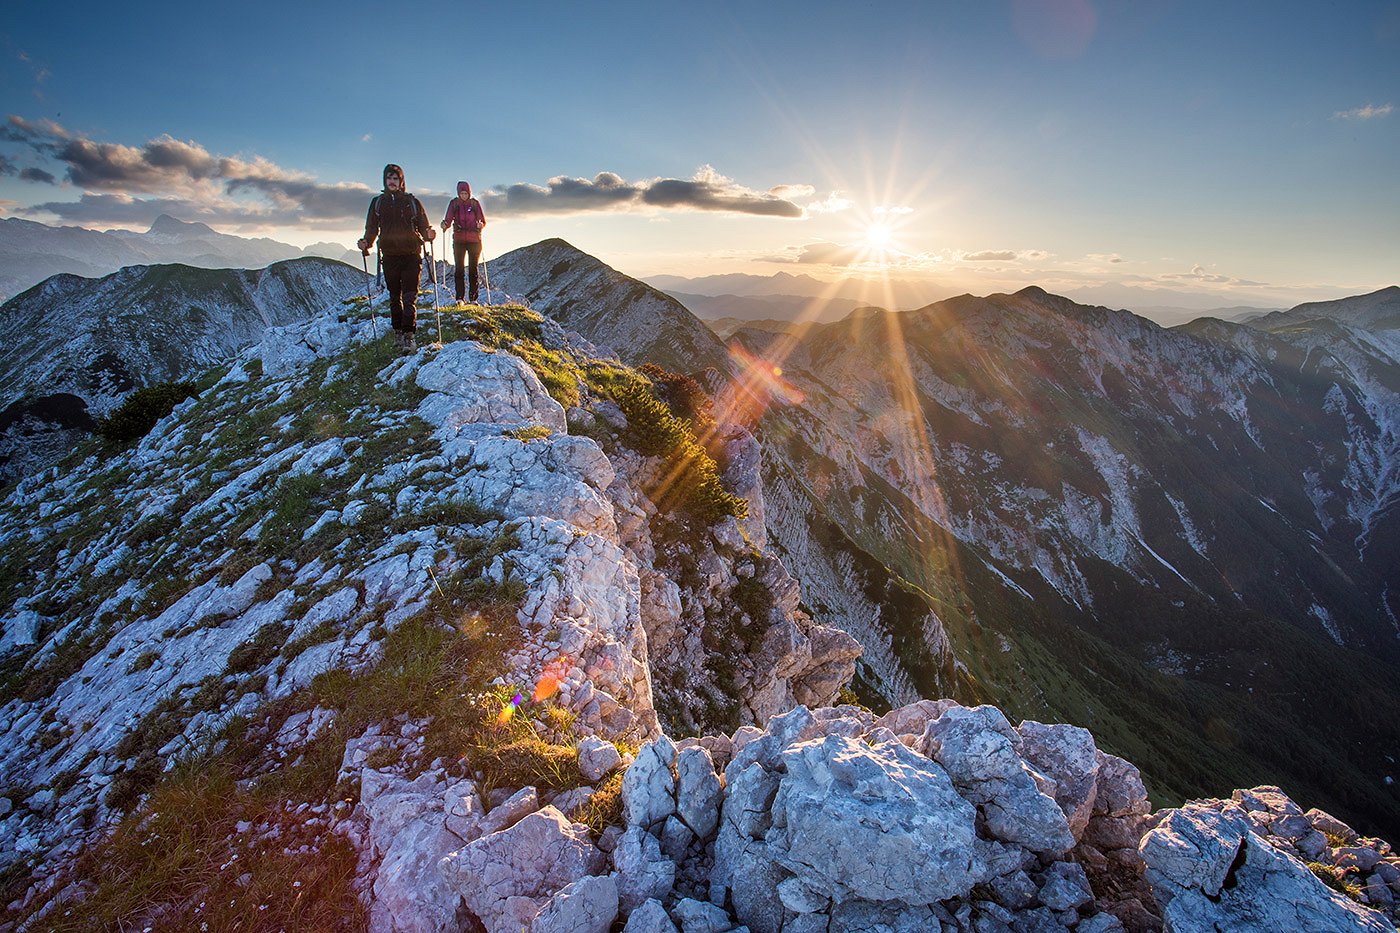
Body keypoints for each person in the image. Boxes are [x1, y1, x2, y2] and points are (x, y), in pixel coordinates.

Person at [358, 164, 435, 351]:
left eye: (395, 178)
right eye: (389, 178)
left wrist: (428, 233)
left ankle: (409, 335)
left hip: (411, 255)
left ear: (401, 181)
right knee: (394, 297)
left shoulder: (412, 202)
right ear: (385, 181)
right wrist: (366, 242)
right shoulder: (378, 203)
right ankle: (398, 332)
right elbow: (371, 229)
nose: (392, 182)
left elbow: (423, 225)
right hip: (390, 256)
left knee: (409, 297)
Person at [440, 181, 487, 303]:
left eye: (466, 193)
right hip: (459, 240)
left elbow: (482, 220)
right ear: (458, 193)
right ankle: (460, 298)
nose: (464, 195)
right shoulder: (454, 204)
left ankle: (473, 299)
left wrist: (480, 224)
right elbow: (448, 218)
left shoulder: (475, 204)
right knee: (459, 269)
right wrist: (445, 224)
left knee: (473, 269)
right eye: (462, 193)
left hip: (474, 240)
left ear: (469, 193)